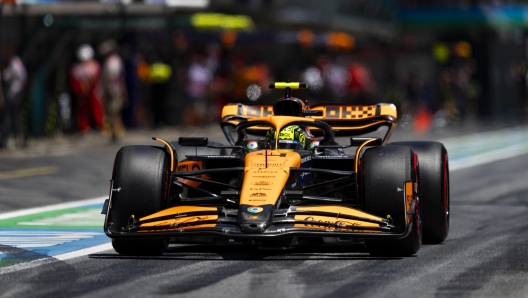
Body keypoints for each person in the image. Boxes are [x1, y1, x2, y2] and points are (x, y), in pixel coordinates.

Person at [69, 44, 104, 134]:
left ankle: (100, 125)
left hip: (93, 93)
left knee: (97, 108)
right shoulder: (76, 68)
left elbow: (98, 80)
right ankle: (84, 128)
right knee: (82, 111)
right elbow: (74, 82)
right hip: (82, 94)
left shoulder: (95, 66)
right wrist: (81, 90)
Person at [99, 40, 127, 141]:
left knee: (114, 111)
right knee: (113, 112)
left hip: (112, 90)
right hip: (115, 89)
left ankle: (115, 132)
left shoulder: (113, 61)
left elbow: (111, 77)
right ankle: (114, 131)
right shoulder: (113, 60)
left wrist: (106, 89)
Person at [1, 47, 27, 148]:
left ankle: (10, 137)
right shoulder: (17, 63)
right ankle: (16, 136)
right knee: (14, 116)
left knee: (10, 116)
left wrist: (4, 71)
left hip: (15, 93)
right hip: (16, 93)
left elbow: (7, 77)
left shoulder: (15, 64)